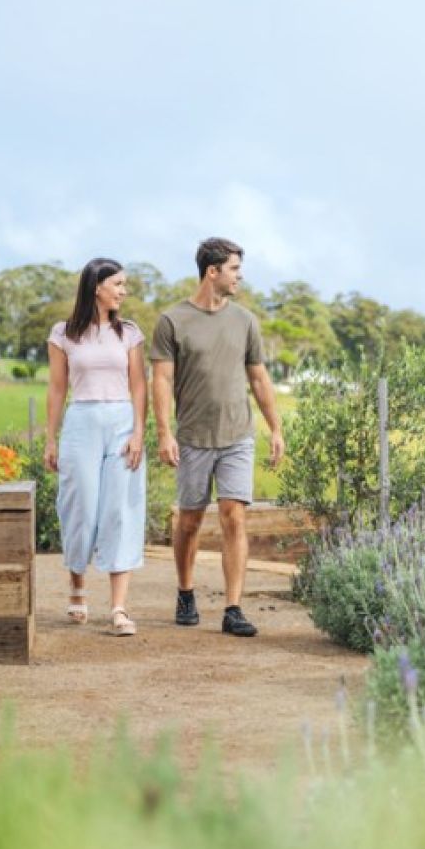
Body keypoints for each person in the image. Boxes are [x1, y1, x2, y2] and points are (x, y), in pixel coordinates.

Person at [150, 237, 285, 637]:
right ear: (212, 271)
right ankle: (185, 592)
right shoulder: (172, 321)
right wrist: (164, 432)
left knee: (234, 516)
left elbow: (258, 378)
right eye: (234, 270)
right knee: (189, 521)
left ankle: (233, 608)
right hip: (192, 436)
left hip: (237, 435)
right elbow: (162, 380)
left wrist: (275, 427)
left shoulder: (245, 321)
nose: (239, 277)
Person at [44, 257, 147, 637]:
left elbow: (139, 385)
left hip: (121, 422)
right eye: (117, 284)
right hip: (81, 422)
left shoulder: (129, 333)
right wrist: (51, 438)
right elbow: (57, 388)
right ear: (96, 287)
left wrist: (138, 433)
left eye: (124, 284)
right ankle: (77, 584)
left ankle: (118, 608)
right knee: (80, 508)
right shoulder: (63, 333)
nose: (123, 291)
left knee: (121, 510)